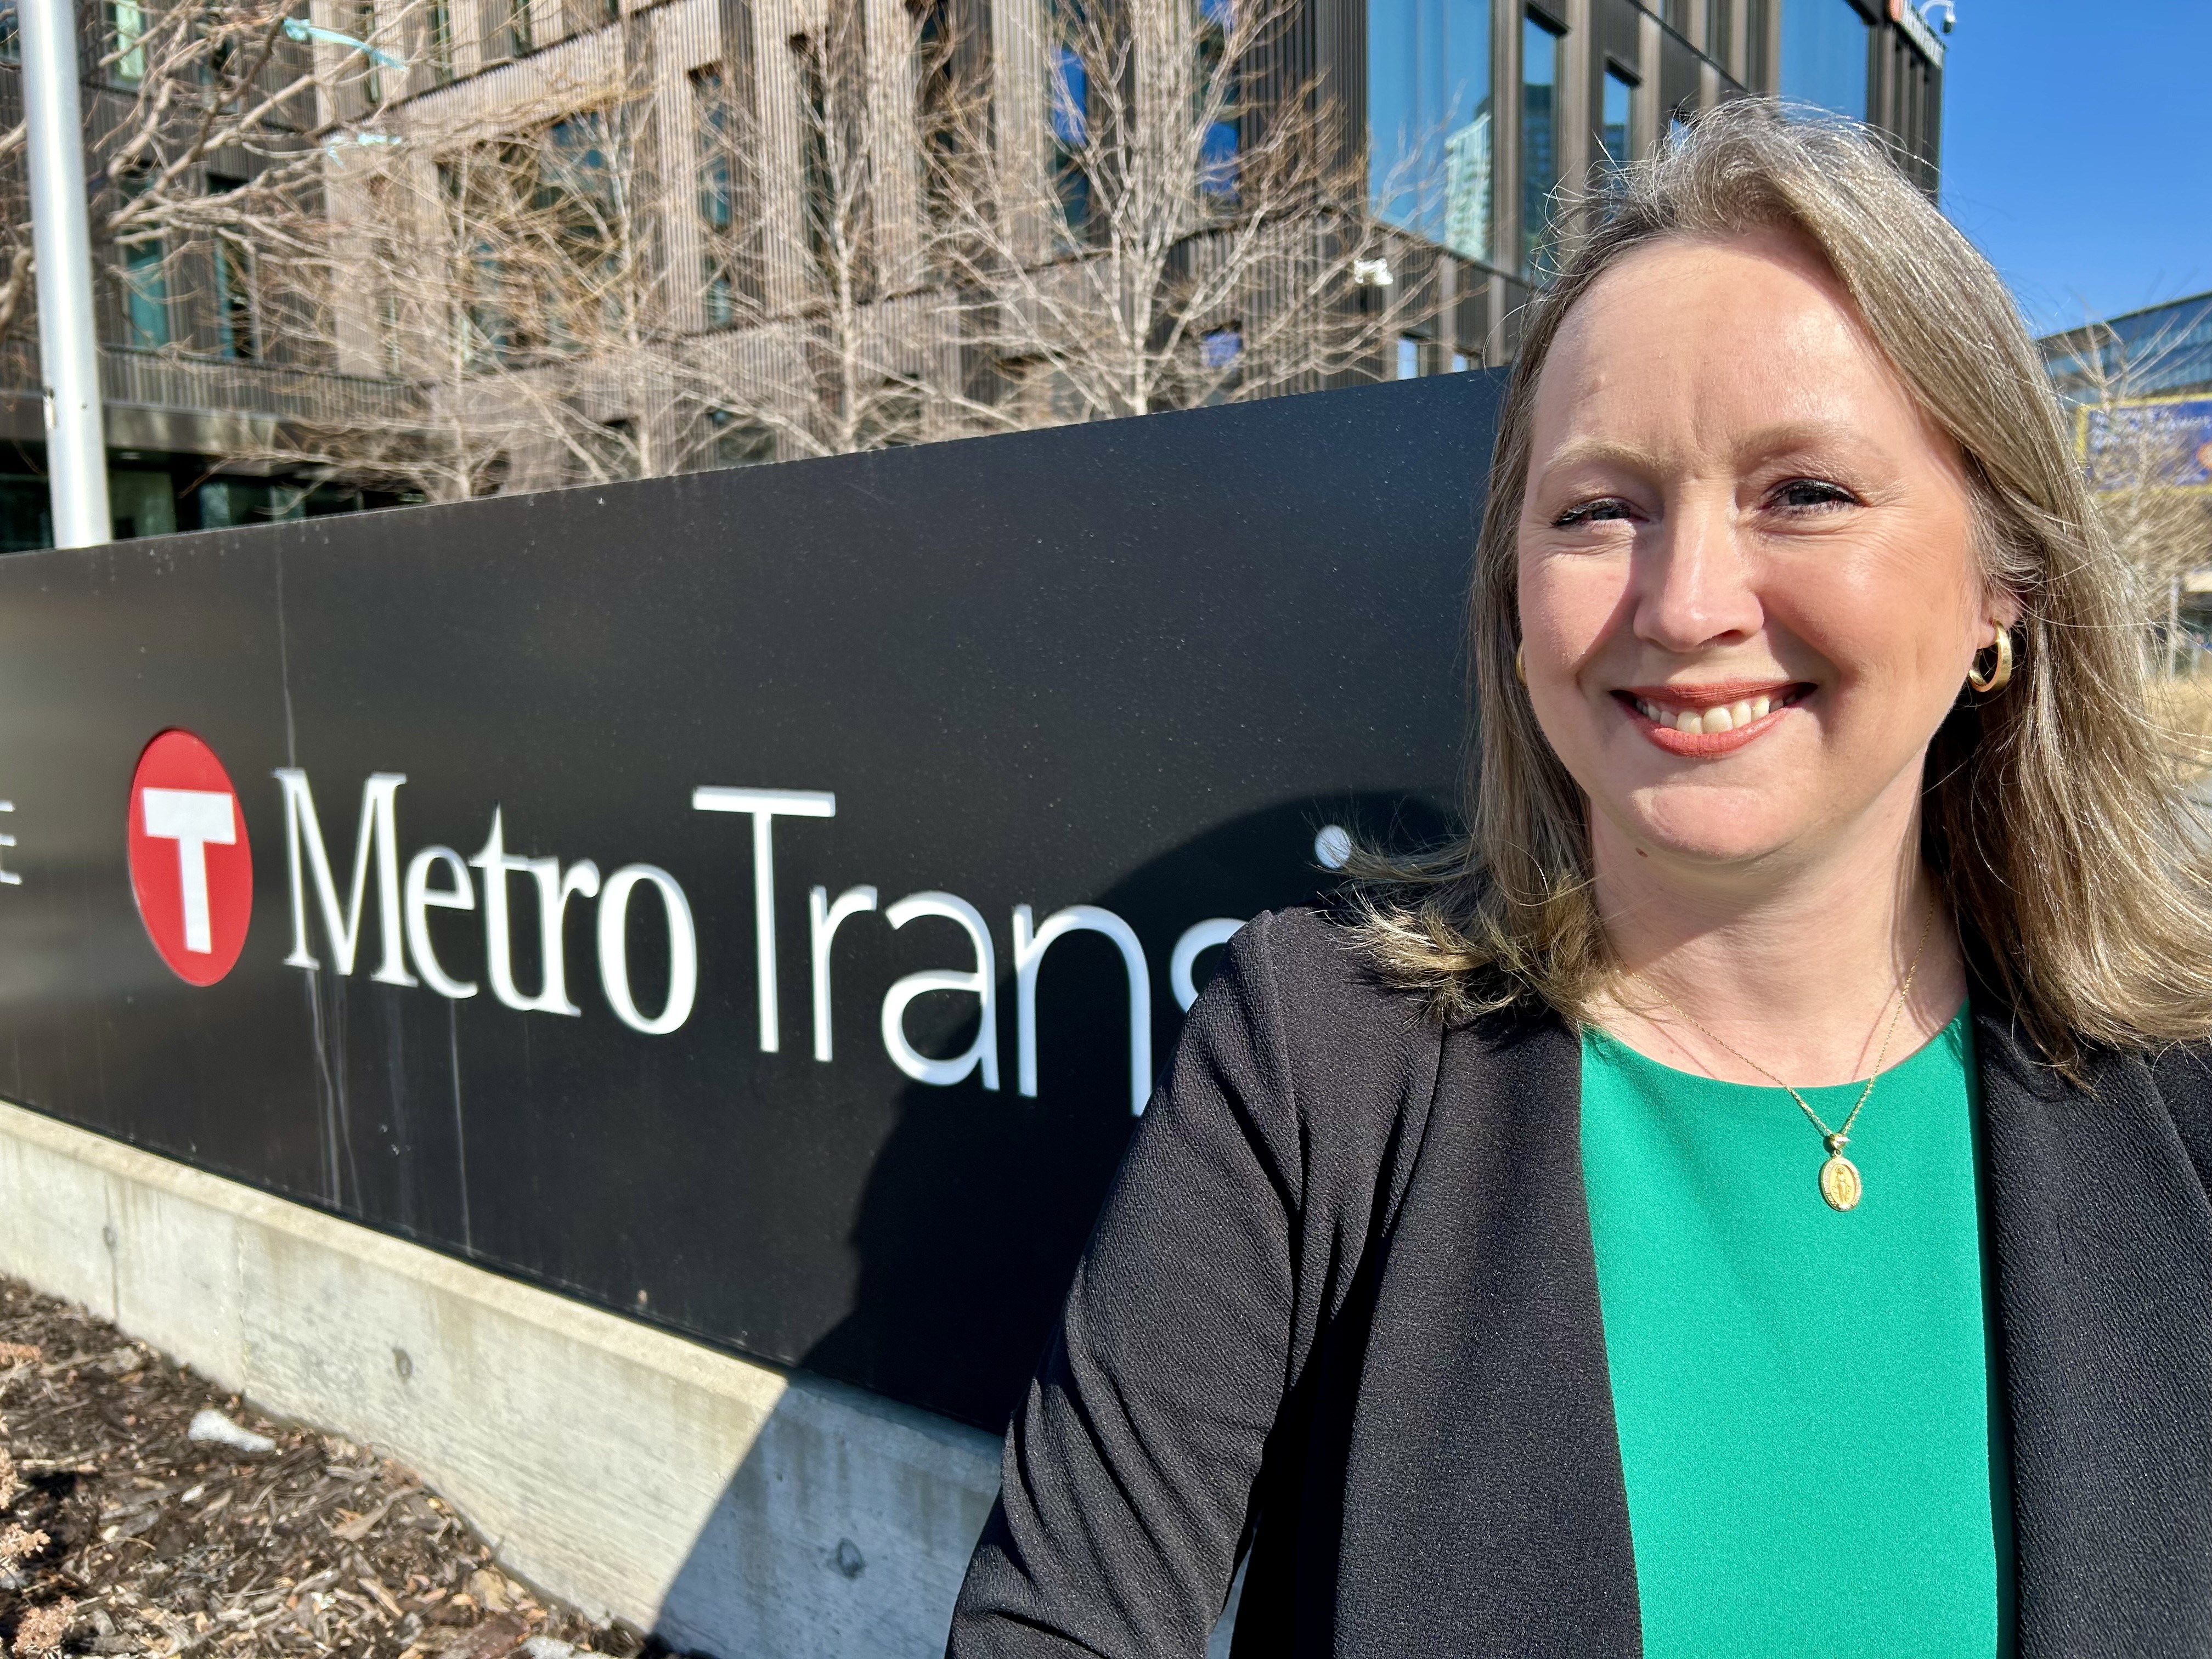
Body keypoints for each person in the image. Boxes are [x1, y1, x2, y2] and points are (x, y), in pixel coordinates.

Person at [944, 102, 2212, 1658]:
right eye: (1600, 509)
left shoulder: (2185, 1090)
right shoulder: (1318, 1066)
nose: (1685, 605)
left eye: (1803, 490)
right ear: (1517, 602)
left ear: (2001, 583)